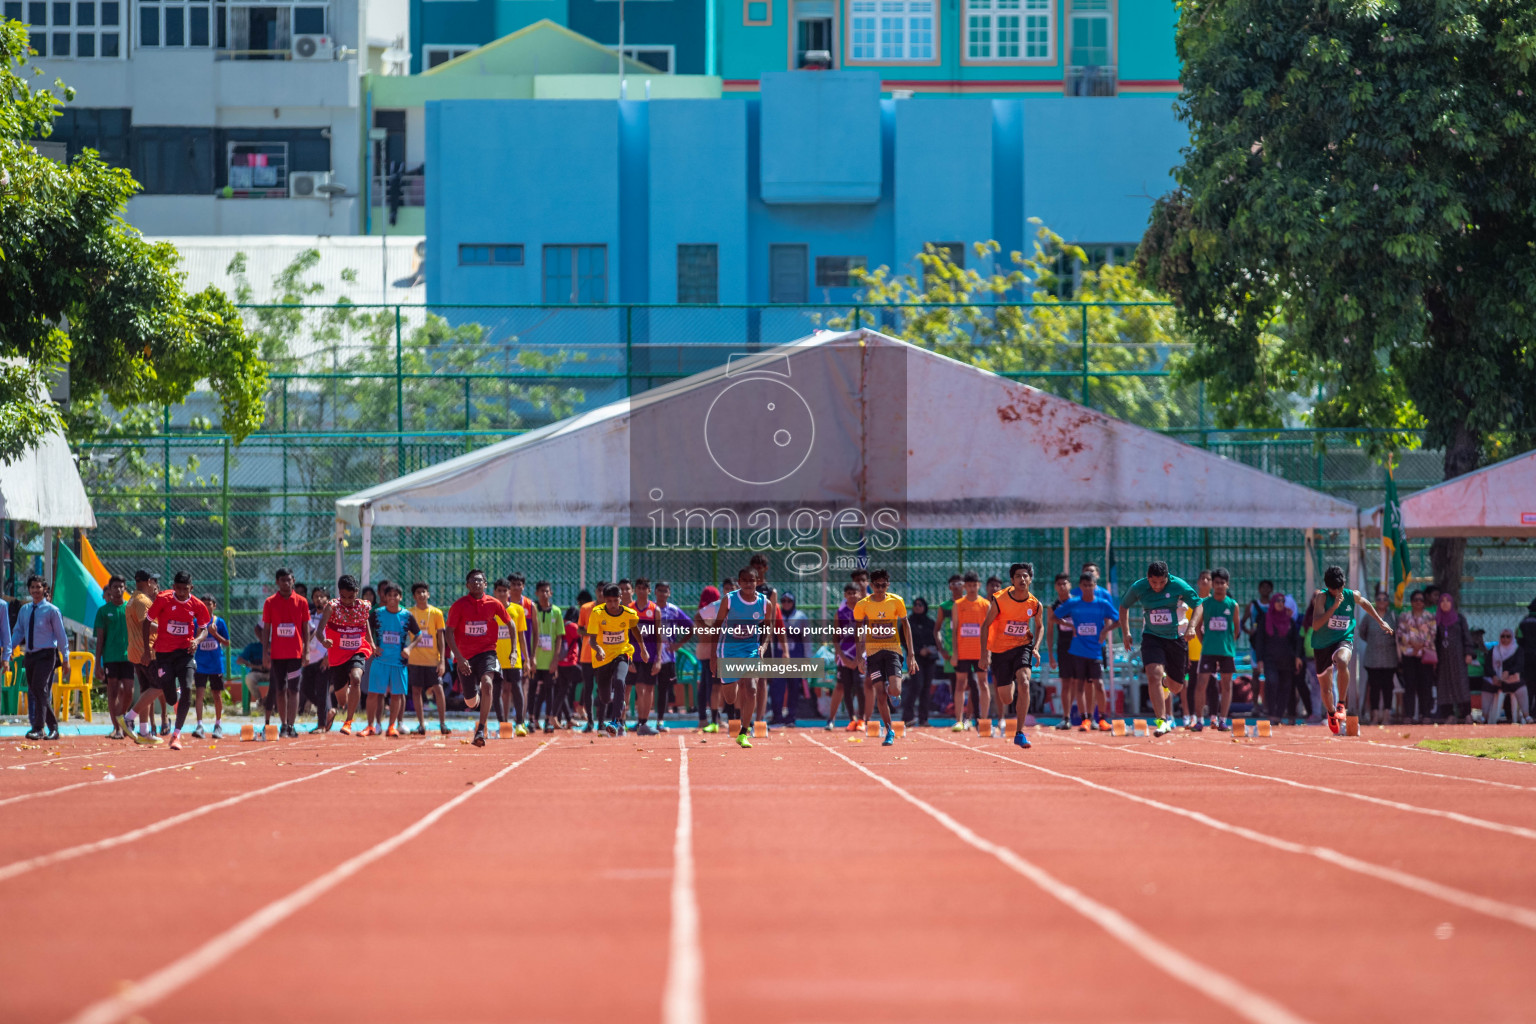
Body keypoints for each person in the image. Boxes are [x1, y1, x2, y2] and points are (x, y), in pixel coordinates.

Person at [1308, 565, 1395, 734]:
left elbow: (1365, 603)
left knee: (1342, 661)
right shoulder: (1322, 598)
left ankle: (1341, 703)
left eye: (1338, 589)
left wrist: (1380, 621)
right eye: (1332, 590)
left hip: (1343, 639)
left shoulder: (1351, 595)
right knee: (1325, 689)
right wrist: (1332, 608)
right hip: (1322, 644)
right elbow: (1316, 625)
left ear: (1344, 584)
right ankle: (1332, 713)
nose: (1336, 592)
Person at [1118, 562, 1200, 736]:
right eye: (1154, 583)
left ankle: (1165, 682)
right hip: (1152, 636)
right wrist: (1126, 633)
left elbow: (1198, 605)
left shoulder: (1178, 585)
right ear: (1148, 578)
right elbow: (1124, 606)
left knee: (1177, 687)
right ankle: (1161, 721)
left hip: (1176, 637)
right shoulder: (1139, 587)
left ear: (1167, 578)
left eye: (1161, 583)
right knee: (1153, 673)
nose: (1157, 586)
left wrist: (1192, 626)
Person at [135, 572, 210, 750]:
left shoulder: (198, 605)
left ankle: (176, 734)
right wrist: (147, 650)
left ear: (191, 588)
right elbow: (147, 622)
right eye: (178, 588)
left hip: (185, 653)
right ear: (173, 586)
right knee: (169, 699)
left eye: (185, 589)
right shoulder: (163, 599)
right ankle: (174, 693)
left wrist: (197, 641)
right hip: (164, 654)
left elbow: (204, 628)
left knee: (187, 688)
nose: (182, 592)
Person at [980, 563, 1046, 745]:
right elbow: (985, 626)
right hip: (1000, 651)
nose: (1022, 579)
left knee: (1025, 681)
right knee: (1006, 698)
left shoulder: (1034, 604)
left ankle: (1019, 732)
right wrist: (985, 653)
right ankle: (1012, 683)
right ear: (1012, 580)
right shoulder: (1000, 599)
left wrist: (1036, 647)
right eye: (1018, 576)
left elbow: (1040, 626)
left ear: (1030, 579)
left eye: (1025, 576)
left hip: (1022, 646)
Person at [1052, 572, 1122, 737]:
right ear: (1080, 587)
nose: (1088, 588)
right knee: (1080, 685)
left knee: (1098, 683)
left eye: (1091, 585)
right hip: (1077, 650)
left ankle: (1103, 718)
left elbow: (1118, 620)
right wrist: (1071, 626)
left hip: (1096, 650)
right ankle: (1086, 719)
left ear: (1095, 585)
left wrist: (1105, 630)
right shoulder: (1074, 603)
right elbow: (1054, 617)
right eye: (1085, 586)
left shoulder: (1102, 603)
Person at [711, 567, 773, 748]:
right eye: (744, 580)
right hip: (728, 650)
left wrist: (763, 646)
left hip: (750, 649)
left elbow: (768, 628)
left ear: (757, 582)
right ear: (739, 582)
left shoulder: (764, 603)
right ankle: (731, 682)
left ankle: (743, 733)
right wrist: (714, 657)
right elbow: (716, 627)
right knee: (730, 698)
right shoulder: (729, 600)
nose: (748, 584)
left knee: (752, 688)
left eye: (751, 580)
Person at [853, 568, 913, 747]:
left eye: (883, 585)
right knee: (880, 694)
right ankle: (889, 730)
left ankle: (894, 692)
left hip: (893, 650)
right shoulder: (863, 604)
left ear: (888, 585)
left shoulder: (896, 601)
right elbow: (858, 629)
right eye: (876, 585)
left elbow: (906, 625)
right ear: (871, 585)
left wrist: (911, 654)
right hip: (873, 654)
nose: (880, 589)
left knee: (894, 690)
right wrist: (858, 655)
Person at [588, 583, 649, 737]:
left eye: (616, 601)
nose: (613, 605)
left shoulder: (629, 614)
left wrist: (643, 650)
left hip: (622, 653)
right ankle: (618, 699)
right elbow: (592, 640)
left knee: (620, 681)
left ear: (621, 598)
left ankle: (615, 722)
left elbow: (636, 630)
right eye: (609, 601)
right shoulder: (597, 613)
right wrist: (599, 649)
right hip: (602, 658)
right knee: (605, 697)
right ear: (604, 600)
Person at [317, 575, 374, 736]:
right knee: (342, 701)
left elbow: (365, 622)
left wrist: (372, 643)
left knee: (356, 678)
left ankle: (348, 721)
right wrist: (324, 641)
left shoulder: (363, 606)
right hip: (337, 655)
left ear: (357, 592)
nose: (347, 601)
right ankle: (340, 707)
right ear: (338, 593)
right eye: (343, 597)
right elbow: (318, 631)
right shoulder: (332, 606)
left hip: (358, 649)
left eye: (351, 597)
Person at [364, 581, 418, 737]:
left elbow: (419, 635)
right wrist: (372, 645)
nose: (393, 598)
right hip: (380, 661)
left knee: (396, 695)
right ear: (384, 597)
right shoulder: (378, 613)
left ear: (400, 597)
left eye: (396, 595)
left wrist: (408, 648)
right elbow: (366, 626)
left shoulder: (406, 615)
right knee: (373, 693)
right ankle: (372, 726)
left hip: (398, 663)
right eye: (389, 595)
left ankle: (392, 725)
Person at [1189, 568, 1240, 731]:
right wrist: (1205, 643)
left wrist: (1228, 644)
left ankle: (1222, 720)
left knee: (1226, 685)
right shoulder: (1205, 604)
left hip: (1226, 651)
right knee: (1201, 683)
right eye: (1216, 583)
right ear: (1213, 585)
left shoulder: (1233, 605)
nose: (1219, 586)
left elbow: (1236, 629)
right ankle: (1199, 720)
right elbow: (1197, 628)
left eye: (1222, 583)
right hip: (1208, 651)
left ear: (1227, 585)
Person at [940, 571, 990, 733]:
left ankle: (983, 720)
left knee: (983, 683)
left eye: (974, 585)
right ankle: (958, 721)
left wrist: (987, 653)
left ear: (979, 585)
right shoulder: (958, 604)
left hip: (980, 652)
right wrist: (954, 653)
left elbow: (989, 630)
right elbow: (954, 631)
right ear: (965, 586)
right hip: (962, 651)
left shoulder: (985, 605)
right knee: (960, 684)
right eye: (969, 585)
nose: (972, 588)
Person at [18, 575, 67, 741]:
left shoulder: (52, 610)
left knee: (39, 688)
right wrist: (9, 649)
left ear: (45, 589)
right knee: (36, 691)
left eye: (38, 587)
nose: (35, 591)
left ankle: (44, 727)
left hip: (46, 654)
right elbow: (18, 631)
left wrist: (65, 657)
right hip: (30, 655)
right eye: (32, 587)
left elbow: (61, 636)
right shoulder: (24, 610)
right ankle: (44, 728)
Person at [406, 582, 450, 736]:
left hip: (433, 660)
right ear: (414, 596)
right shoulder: (409, 613)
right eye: (418, 592)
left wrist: (442, 661)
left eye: (424, 592)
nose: (421, 595)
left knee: (438, 689)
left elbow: (441, 638)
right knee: (416, 691)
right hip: (415, 660)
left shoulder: (437, 613)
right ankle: (421, 724)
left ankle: (443, 723)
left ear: (428, 594)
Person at [93, 575, 133, 740]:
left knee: (129, 690)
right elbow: (100, 639)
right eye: (114, 587)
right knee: (113, 690)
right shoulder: (103, 611)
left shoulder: (130, 609)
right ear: (109, 590)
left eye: (121, 586)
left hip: (129, 657)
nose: (118, 590)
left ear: (125, 588)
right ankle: (117, 728)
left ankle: (123, 719)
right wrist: (98, 664)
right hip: (110, 657)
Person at [1254, 593, 1303, 725]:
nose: (1280, 603)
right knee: (1272, 682)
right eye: (1278, 601)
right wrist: (1259, 659)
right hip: (1270, 659)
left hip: (1287, 660)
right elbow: (1259, 640)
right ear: (1273, 603)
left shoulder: (1289, 620)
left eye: (1282, 601)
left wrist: (1297, 657)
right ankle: (1271, 712)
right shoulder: (1266, 619)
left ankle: (1279, 715)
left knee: (1286, 687)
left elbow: (1296, 640)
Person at [124, 569, 163, 735]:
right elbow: (145, 625)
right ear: (148, 582)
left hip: (136, 651)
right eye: (154, 581)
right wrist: (167, 630)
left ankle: (144, 730)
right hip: (147, 652)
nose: (155, 584)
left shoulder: (133, 599)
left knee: (147, 690)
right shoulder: (141, 601)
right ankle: (129, 717)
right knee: (160, 686)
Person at [491, 578, 531, 735]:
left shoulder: (517, 610)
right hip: (495, 657)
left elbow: (521, 636)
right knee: (497, 690)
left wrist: (526, 659)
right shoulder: (490, 610)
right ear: (494, 592)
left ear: (509, 592)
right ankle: (503, 724)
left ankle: (520, 723)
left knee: (517, 687)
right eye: (499, 590)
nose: (501, 593)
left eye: (504, 590)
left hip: (513, 657)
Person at [189, 593, 230, 739]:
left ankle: (218, 725)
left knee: (217, 695)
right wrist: (200, 634)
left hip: (215, 665)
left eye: (209, 603)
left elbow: (227, 643)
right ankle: (200, 725)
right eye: (203, 603)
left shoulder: (219, 622)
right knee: (199, 694)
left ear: (214, 605)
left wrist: (215, 634)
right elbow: (192, 641)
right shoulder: (195, 622)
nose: (206, 605)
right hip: (201, 665)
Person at [824, 582, 863, 731]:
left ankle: (862, 719)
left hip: (860, 655)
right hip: (845, 655)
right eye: (849, 593)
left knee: (860, 687)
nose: (852, 595)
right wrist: (842, 656)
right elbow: (835, 637)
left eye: (855, 592)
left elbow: (868, 635)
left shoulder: (864, 611)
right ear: (845, 595)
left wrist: (860, 657)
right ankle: (851, 719)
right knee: (846, 687)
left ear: (859, 594)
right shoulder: (840, 613)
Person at [1357, 592, 1399, 725]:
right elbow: (1362, 632)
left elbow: (1398, 634)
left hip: (1389, 658)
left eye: (1384, 599)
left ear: (1388, 602)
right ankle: (1374, 715)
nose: (1381, 601)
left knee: (1388, 687)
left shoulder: (1393, 616)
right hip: (1372, 658)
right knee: (1374, 687)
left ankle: (1386, 714)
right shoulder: (1369, 616)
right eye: (1379, 599)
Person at [1395, 590, 1436, 723]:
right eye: (1416, 599)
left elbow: (1433, 634)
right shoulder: (1404, 616)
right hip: (1409, 655)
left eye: (1421, 600)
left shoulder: (1430, 617)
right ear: (1412, 602)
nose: (1419, 602)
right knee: (1410, 685)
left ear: (1424, 603)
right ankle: (1409, 715)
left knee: (1426, 685)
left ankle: (1426, 714)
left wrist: (1422, 644)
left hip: (1425, 655)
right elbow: (1400, 632)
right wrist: (1413, 643)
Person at [530, 581, 565, 733]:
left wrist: (555, 659)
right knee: (532, 689)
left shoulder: (556, 612)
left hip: (549, 659)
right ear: (536, 593)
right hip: (534, 659)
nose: (544, 594)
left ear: (551, 593)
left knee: (549, 690)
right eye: (541, 591)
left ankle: (548, 720)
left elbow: (559, 637)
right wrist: (530, 658)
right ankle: (531, 719)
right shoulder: (532, 610)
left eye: (547, 591)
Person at [1433, 592, 1474, 723]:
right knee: (1444, 685)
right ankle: (1449, 714)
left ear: (1452, 603)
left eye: (1447, 601)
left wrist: (1468, 653)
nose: (1445, 603)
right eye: (1442, 601)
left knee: (1461, 684)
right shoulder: (1436, 621)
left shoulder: (1459, 619)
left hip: (1458, 657)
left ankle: (1466, 714)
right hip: (1443, 659)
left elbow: (1467, 637)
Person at [1045, 573, 1079, 728]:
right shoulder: (1053, 608)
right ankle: (1066, 717)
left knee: (1079, 682)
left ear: (1070, 585)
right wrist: (1051, 655)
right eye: (1059, 584)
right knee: (1066, 682)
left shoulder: (1078, 603)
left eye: (1065, 583)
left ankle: (1086, 716)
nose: (1062, 586)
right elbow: (1050, 632)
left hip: (1080, 646)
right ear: (1055, 587)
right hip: (1063, 646)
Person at [1180, 570, 1213, 727]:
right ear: (1198, 582)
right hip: (1193, 652)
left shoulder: (1215, 603)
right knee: (1192, 684)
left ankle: (1214, 716)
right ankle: (1193, 716)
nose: (1205, 581)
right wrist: (1185, 652)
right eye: (1202, 578)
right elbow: (1186, 628)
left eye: (1208, 579)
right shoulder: (1192, 604)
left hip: (1211, 651)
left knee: (1212, 685)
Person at [773, 590, 809, 726]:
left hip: (796, 656)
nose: (786, 604)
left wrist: (807, 658)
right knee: (777, 687)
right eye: (783, 601)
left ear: (794, 602)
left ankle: (791, 717)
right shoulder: (776, 615)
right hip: (778, 657)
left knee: (794, 687)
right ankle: (777, 716)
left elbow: (807, 639)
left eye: (789, 601)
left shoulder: (801, 617)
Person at [693, 585, 724, 732]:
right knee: (712, 687)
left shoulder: (703, 610)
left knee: (705, 685)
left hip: (703, 652)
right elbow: (706, 635)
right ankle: (713, 718)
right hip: (712, 652)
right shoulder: (712, 610)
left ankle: (704, 718)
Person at [903, 596, 938, 728]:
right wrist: (918, 651)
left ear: (925, 607)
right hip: (915, 658)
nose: (917, 606)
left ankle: (924, 718)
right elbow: (904, 640)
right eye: (915, 604)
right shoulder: (909, 622)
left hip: (929, 659)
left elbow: (936, 639)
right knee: (916, 685)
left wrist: (929, 649)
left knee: (926, 688)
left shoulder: (930, 623)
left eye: (920, 604)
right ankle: (908, 717)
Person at [301, 586, 331, 727]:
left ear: (327, 599)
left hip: (323, 658)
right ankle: (329, 711)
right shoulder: (308, 614)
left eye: (321, 596)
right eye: (315, 596)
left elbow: (336, 637)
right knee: (306, 688)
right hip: (309, 658)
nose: (318, 598)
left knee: (321, 691)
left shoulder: (332, 616)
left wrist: (328, 656)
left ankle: (321, 724)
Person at [1490, 628, 1527, 725]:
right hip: (1498, 681)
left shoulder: (1517, 650)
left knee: (1520, 687)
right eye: (1503, 636)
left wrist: (1509, 673)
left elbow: (1519, 666)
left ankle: (1523, 716)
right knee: (1495, 688)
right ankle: (1491, 719)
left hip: (1512, 681)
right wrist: (1494, 676)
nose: (1505, 639)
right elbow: (1488, 667)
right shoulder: (1495, 650)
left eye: (1508, 636)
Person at [235, 626, 266, 710]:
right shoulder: (253, 647)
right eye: (263, 633)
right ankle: (260, 701)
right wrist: (255, 666)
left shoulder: (274, 645)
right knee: (249, 678)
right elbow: (239, 660)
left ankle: (271, 701)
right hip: (257, 672)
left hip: (272, 673)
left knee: (281, 679)